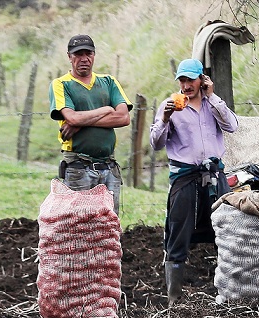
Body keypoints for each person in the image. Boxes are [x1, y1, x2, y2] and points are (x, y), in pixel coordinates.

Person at [149, 58, 239, 304]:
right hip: (185, 177)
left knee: (224, 232)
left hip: (214, 175)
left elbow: (232, 126)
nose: (186, 85)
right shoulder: (171, 106)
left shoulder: (212, 104)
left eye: (191, 80)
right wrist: (165, 118)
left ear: (202, 80)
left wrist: (213, 97)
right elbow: (156, 143)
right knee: (177, 234)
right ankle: (174, 300)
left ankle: (226, 293)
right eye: (182, 80)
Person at [49, 34, 131, 213]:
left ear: (94, 55)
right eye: (78, 54)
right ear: (69, 57)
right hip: (79, 167)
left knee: (109, 225)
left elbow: (124, 118)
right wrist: (106, 109)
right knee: (80, 225)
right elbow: (71, 118)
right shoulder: (61, 84)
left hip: (109, 166)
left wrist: (81, 122)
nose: (84, 59)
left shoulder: (108, 82)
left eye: (89, 53)